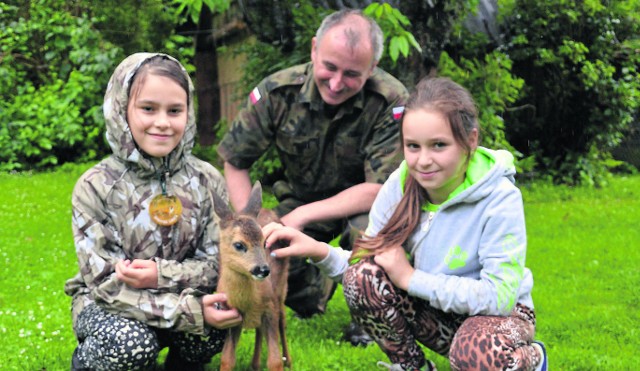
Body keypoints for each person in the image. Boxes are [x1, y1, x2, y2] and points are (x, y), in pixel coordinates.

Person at [263, 77, 549, 371]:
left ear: (470, 141)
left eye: (439, 145)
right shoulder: (400, 185)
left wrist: (410, 279)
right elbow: (364, 269)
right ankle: (413, 367)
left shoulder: (500, 197)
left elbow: (499, 299)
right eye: (413, 146)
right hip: (437, 309)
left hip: (504, 319)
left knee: (475, 354)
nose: (423, 161)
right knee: (361, 279)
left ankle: (533, 358)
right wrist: (317, 250)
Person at [217, 8, 409, 345]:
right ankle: (320, 288)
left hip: (361, 202)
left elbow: (381, 189)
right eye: (329, 67)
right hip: (302, 194)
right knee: (277, 258)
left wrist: (301, 216)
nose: (336, 84)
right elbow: (235, 162)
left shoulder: (390, 101)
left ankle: (370, 313)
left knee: (371, 230)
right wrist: (249, 222)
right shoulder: (277, 93)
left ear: (372, 68)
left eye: (352, 74)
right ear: (314, 49)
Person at [64, 53, 243, 371]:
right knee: (130, 344)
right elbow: (106, 284)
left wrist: (162, 276)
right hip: (110, 305)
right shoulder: (94, 186)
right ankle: (90, 361)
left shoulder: (207, 180)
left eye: (175, 110)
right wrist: (194, 313)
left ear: (188, 113)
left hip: (185, 297)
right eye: (148, 108)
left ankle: (184, 362)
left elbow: (219, 265)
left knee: (217, 324)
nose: (162, 122)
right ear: (121, 109)